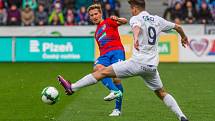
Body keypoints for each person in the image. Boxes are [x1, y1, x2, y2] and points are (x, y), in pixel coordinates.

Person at [57, 0, 189, 121]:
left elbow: (136, 26)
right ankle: (182, 116)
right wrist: (183, 37)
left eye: (131, 8)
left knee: (101, 73)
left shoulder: (135, 18)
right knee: (161, 92)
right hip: (151, 67)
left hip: (137, 63)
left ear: (135, 8)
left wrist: (136, 38)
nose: (131, 11)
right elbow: (178, 27)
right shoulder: (157, 19)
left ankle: (72, 87)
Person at [88, 4, 127, 116]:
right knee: (97, 69)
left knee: (116, 79)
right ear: (90, 18)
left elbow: (124, 21)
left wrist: (117, 18)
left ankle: (117, 110)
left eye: (96, 14)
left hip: (117, 51)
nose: (94, 16)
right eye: (92, 15)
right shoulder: (96, 33)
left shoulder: (109, 21)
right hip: (104, 55)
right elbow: (101, 47)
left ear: (100, 13)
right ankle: (114, 91)